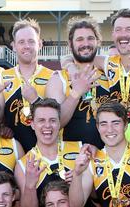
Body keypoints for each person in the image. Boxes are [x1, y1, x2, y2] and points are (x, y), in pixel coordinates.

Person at [15, 98, 81, 207]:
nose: (47, 125)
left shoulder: (80, 149)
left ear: (59, 123)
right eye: (41, 121)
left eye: (52, 120)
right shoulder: (23, 164)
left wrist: (78, 179)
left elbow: (96, 196)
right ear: (32, 124)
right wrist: (30, 185)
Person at [46, 17, 104, 148]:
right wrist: (76, 93)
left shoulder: (109, 73)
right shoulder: (58, 79)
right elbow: (56, 123)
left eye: (90, 38)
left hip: (106, 160)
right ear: (70, 44)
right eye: (79, 39)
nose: (86, 43)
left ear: (98, 41)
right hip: (70, 159)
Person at [0, 19, 54, 152]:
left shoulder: (53, 77)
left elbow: (57, 118)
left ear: (40, 44)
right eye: (21, 42)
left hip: (46, 152)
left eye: (31, 41)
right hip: (11, 152)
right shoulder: (2, 77)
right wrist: (1, 127)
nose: (26, 46)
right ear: (13, 45)